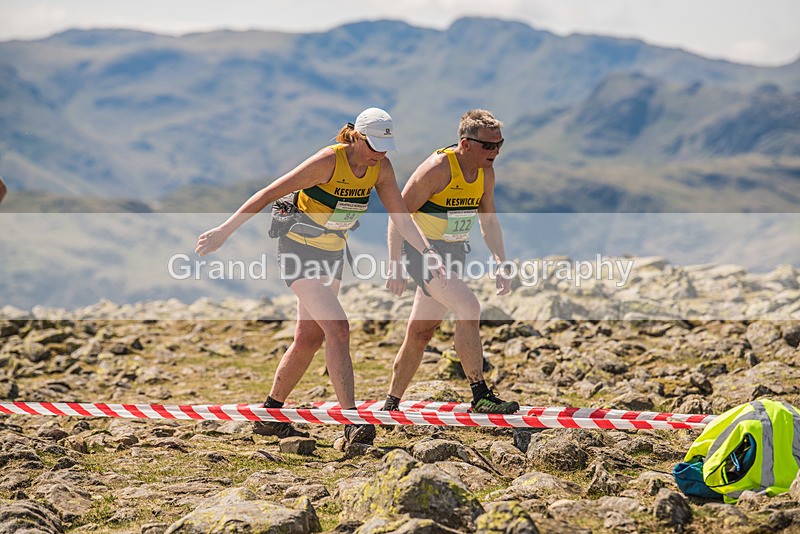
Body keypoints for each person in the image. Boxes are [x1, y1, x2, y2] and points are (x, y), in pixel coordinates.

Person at [195, 108, 445, 446]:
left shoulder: (381, 168)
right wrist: (224, 232)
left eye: (385, 147)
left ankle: (271, 414)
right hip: (298, 252)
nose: (380, 155)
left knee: (309, 339)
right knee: (338, 328)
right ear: (356, 137)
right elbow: (269, 193)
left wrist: (428, 252)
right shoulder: (327, 162)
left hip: (332, 256)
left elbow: (400, 216)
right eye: (373, 146)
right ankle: (351, 421)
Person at [383, 109, 519, 415]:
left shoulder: (486, 173)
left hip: (453, 255)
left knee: (420, 334)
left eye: (500, 144)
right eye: (488, 146)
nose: (495, 152)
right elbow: (398, 215)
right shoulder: (438, 168)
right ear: (465, 143)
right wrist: (395, 265)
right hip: (422, 253)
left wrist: (500, 260)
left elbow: (489, 221)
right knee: (469, 307)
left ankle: (391, 402)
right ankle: (480, 394)